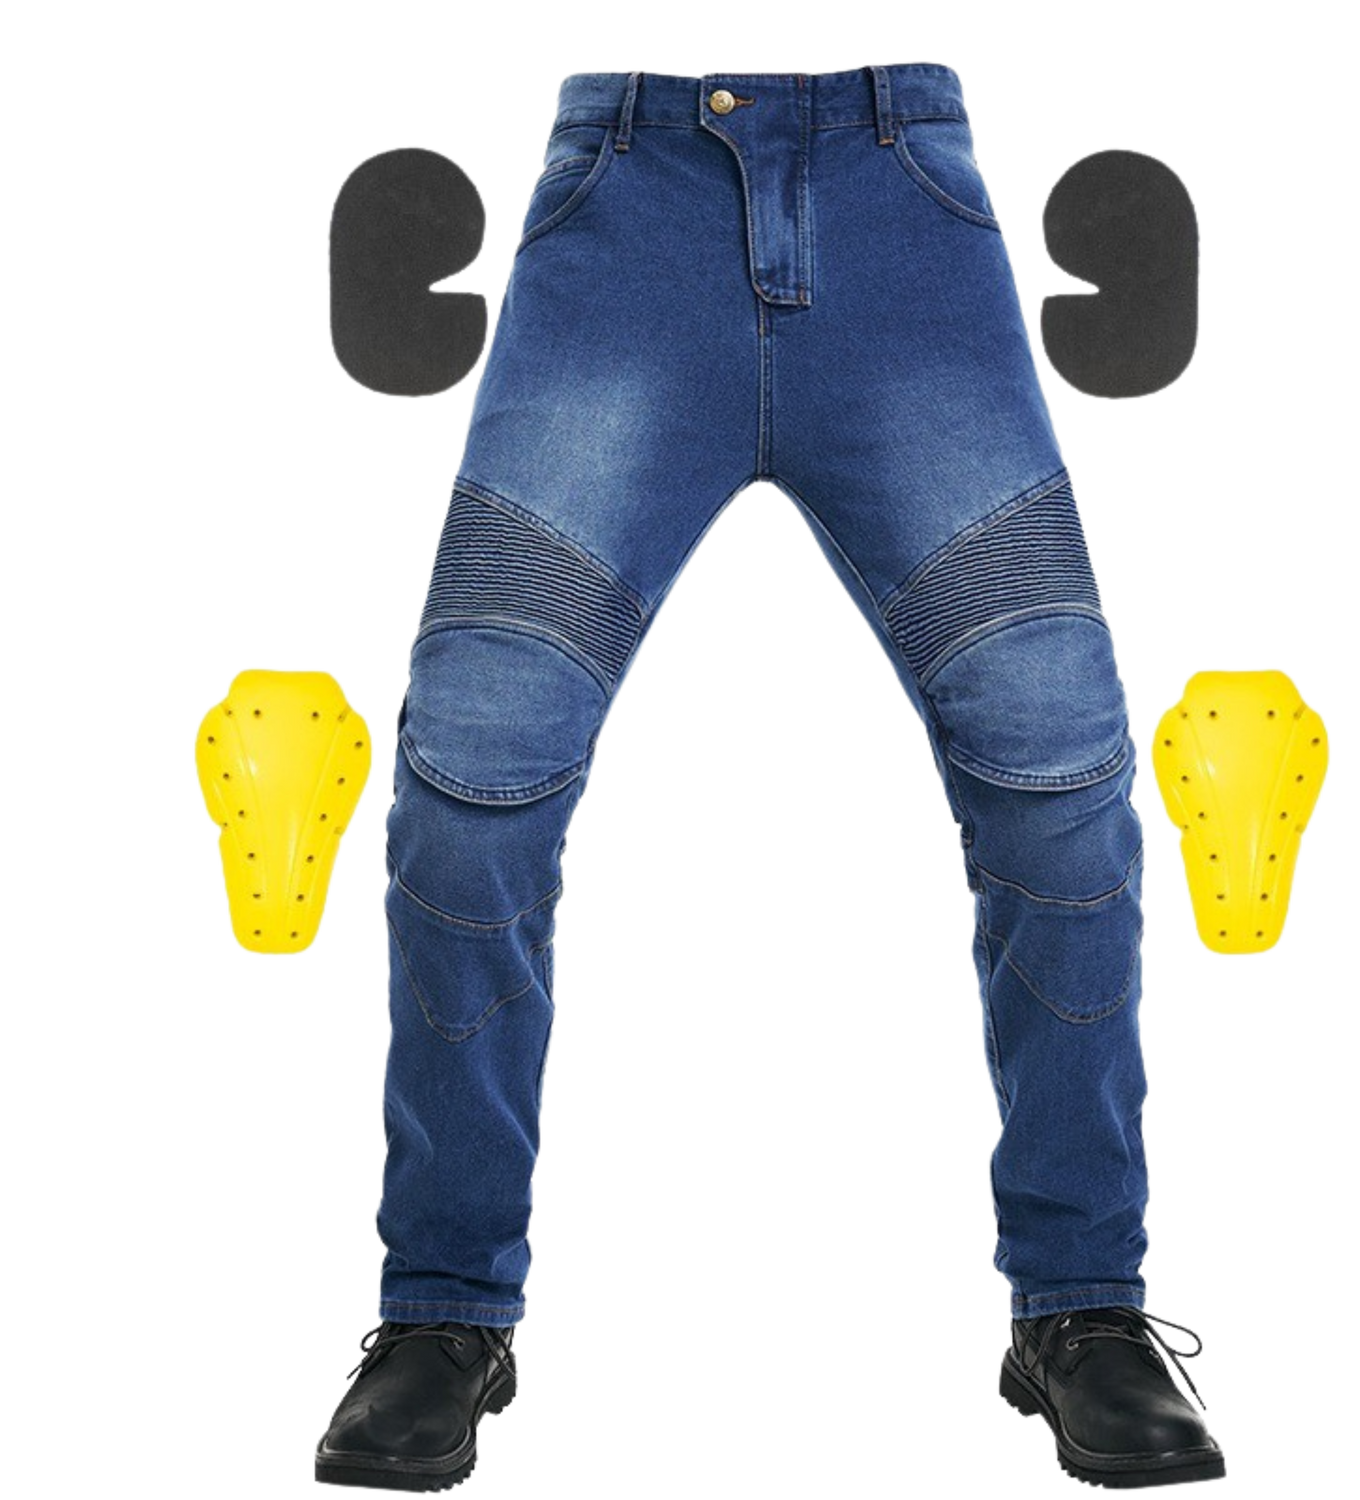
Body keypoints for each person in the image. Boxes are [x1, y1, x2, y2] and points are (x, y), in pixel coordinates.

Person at [311, 63, 1227, 1493]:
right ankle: (441, 1309)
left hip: (904, 199)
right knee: (473, 778)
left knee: (1058, 773)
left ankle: (1083, 1303)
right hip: (624, 199)